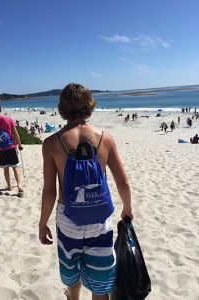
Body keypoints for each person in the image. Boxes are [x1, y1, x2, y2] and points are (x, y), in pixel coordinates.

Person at [39, 83, 133, 300]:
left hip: (68, 220)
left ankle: (73, 297)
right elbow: (123, 182)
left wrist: (42, 223)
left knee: (71, 273)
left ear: (62, 107)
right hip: (99, 220)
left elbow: (50, 191)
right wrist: (127, 208)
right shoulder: (105, 138)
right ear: (90, 104)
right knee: (100, 283)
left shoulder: (52, 143)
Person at [0, 103, 24, 193]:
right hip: (12, 146)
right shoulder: (8, 119)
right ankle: (19, 185)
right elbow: (15, 133)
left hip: (1, 148)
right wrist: (19, 144)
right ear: (0, 110)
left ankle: (9, 186)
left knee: (6, 168)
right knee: (15, 167)